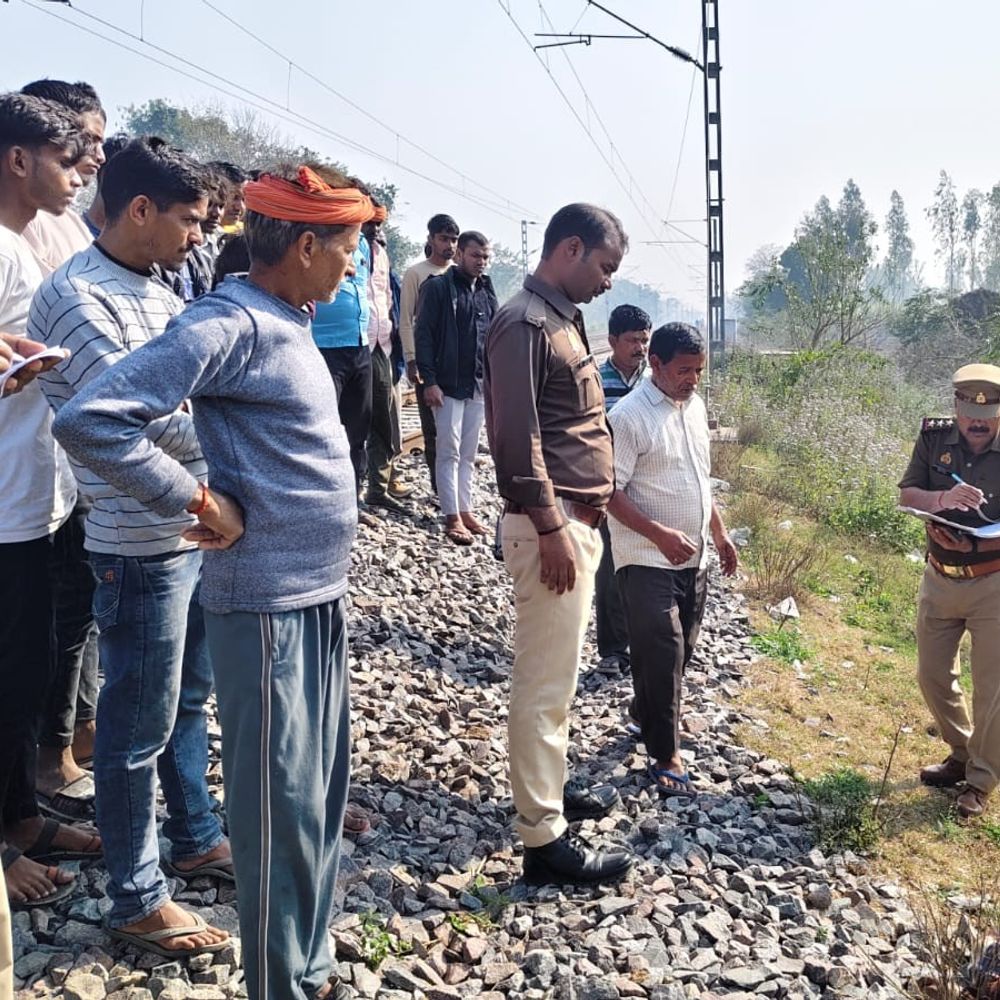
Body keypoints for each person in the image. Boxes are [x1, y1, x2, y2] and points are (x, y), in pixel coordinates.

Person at [53, 162, 373, 1000]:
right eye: (348, 248)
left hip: (315, 597)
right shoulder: (229, 322)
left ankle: (310, 966)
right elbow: (90, 418)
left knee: (313, 801)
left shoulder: (286, 318)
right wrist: (193, 497)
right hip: (263, 606)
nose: (354, 266)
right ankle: (280, 984)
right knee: (274, 816)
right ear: (305, 244)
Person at [30, 136, 232, 956]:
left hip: (188, 529)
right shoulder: (79, 299)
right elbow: (133, 419)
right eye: (189, 220)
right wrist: (216, 477)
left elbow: (190, 392)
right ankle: (136, 898)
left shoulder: (155, 287)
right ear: (140, 209)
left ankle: (195, 835)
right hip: (141, 539)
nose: (198, 237)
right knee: (132, 729)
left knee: (185, 702)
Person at [484, 202, 634, 885]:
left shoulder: (561, 318)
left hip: (574, 521)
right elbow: (517, 440)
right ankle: (543, 838)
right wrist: (550, 528)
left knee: (559, 679)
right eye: (605, 267)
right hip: (554, 525)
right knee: (543, 686)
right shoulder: (523, 322)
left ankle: (550, 785)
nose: (609, 282)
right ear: (570, 249)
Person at [0, 92, 101, 913]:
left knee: (27, 669)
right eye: (66, 161)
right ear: (17, 159)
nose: (78, 176)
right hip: (4, 500)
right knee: (8, 672)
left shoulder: (18, 246)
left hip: (31, 493)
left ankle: (21, 817)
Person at [19, 80, 108, 821]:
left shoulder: (65, 226)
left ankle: (55, 760)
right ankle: (37, 784)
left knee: (64, 621)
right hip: (22, 474)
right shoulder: (26, 237)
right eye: (76, 147)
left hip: (51, 467)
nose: (89, 162)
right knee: (32, 639)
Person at [607, 323, 738, 796]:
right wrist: (659, 535)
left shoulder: (695, 407)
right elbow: (609, 493)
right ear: (656, 364)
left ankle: (646, 711)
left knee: (684, 649)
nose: (693, 380)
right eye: (684, 370)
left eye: (699, 371)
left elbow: (700, 478)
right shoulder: (628, 417)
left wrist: (719, 534)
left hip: (694, 557)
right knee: (663, 652)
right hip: (645, 557)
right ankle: (666, 753)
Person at [898, 363, 1000, 819]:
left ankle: (980, 780)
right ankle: (960, 752)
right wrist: (940, 503)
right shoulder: (934, 439)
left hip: (994, 580)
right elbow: (908, 495)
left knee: (993, 691)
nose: (978, 422)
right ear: (956, 409)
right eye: (969, 413)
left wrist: (978, 540)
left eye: (989, 414)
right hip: (940, 576)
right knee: (932, 674)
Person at [416, 230, 498, 544]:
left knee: (467, 453)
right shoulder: (437, 288)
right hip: (447, 384)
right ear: (460, 253)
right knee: (447, 451)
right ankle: (451, 516)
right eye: (476, 255)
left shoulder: (486, 291)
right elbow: (423, 335)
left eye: (486, 256)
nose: (481, 262)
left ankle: (466, 510)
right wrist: (429, 381)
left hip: (478, 382)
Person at [595, 304, 651, 672]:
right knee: (610, 570)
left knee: (649, 570)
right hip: (610, 488)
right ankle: (614, 650)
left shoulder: (655, 381)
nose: (640, 348)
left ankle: (648, 644)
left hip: (651, 487)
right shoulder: (596, 382)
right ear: (613, 341)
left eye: (645, 340)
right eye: (632, 340)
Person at [311, 171, 374, 494]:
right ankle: (323, 494)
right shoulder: (323, 236)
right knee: (324, 428)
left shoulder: (364, 244)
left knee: (357, 428)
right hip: (324, 345)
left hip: (360, 345)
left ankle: (353, 496)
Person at [399, 213, 459, 493]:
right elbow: (406, 320)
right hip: (429, 361)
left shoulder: (458, 273)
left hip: (458, 363)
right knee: (433, 431)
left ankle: (456, 488)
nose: (450, 245)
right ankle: (440, 489)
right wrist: (412, 359)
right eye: (444, 238)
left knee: (456, 431)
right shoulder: (417, 274)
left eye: (454, 239)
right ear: (431, 240)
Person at [362, 198, 411, 513]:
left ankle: (378, 487)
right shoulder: (347, 249)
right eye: (370, 224)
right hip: (353, 343)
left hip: (382, 344)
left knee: (385, 419)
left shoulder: (382, 256)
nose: (375, 230)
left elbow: (389, 298)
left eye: (379, 225)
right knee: (355, 420)